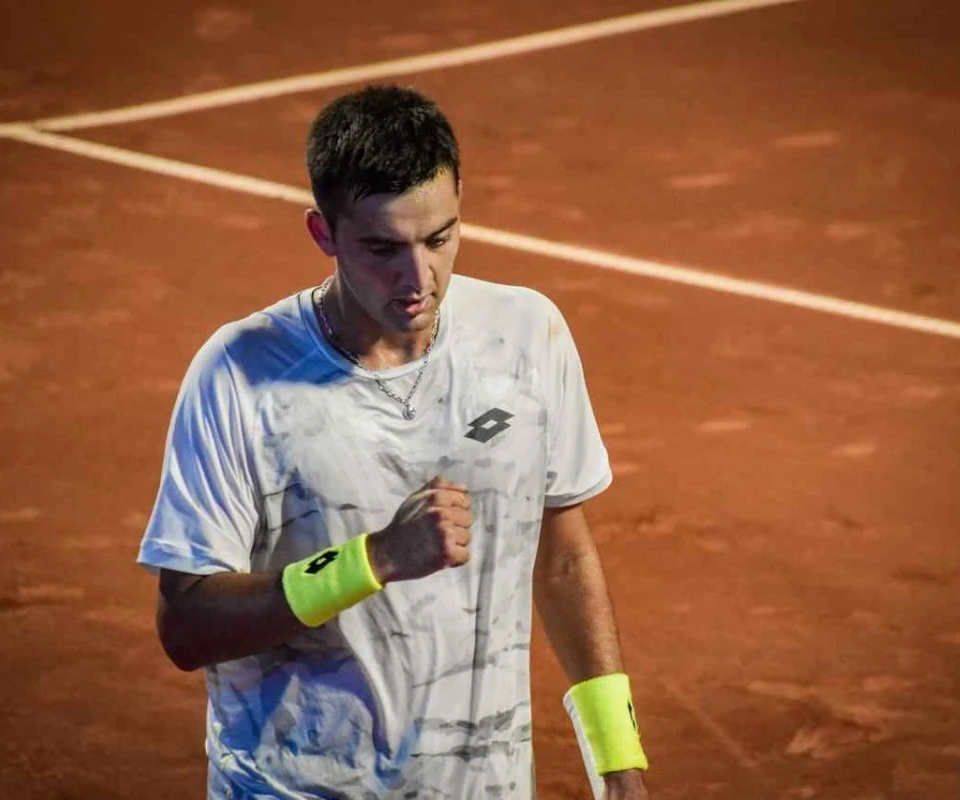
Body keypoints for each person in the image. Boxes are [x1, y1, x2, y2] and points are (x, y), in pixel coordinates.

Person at [136, 83, 649, 800]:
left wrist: (617, 758)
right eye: (383, 248)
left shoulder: (527, 336)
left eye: (440, 238)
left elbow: (561, 556)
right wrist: (371, 559)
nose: (418, 279)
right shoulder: (239, 376)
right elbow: (186, 626)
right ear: (323, 234)